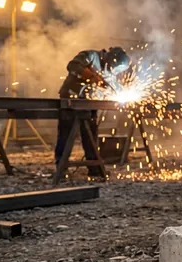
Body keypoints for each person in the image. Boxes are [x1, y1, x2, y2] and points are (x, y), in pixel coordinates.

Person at [55, 47, 131, 177]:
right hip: (70, 99)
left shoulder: (110, 73)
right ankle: (61, 167)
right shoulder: (91, 56)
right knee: (66, 133)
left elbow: (116, 88)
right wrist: (92, 77)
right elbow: (72, 65)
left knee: (91, 135)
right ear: (108, 57)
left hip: (90, 103)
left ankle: (94, 167)